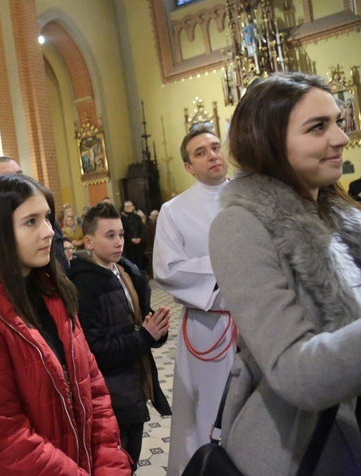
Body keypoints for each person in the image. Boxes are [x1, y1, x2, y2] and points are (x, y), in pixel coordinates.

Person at [209, 72, 361, 474]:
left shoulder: (341, 213)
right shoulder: (240, 226)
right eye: (318, 127)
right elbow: (296, 374)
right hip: (307, 445)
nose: (341, 138)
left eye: (337, 122)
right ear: (270, 141)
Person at [0, 174, 132, 474]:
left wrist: (110, 466)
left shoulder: (52, 291)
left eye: (47, 219)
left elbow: (92, 387)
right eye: (31, 222)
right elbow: (1, 435)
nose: (49, 232)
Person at [152, 124, 235, 474]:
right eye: (200, 152)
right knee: (208, 410)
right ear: (188, 166)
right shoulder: (174, 210)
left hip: (263, 318)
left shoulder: (252, 195)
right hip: (210, 324)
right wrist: (233, 275)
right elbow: (168, 268)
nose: (212, 155)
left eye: (215, 147)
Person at [69, 201, 171, 469]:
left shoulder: (127, 271)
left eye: (121, 234)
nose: (119, 242)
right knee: (115, 463)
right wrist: (144, 338)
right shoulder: (84, 284)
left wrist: (156, 331)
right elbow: (95, 350)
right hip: (111, 395)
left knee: (131, 460)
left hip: (135, 384)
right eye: (110, 236)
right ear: (88, 242)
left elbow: (140, 321)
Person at [121, 200, 145, 269]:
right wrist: (131, 239)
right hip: (128, 244)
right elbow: (123, 231)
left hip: (139, 243)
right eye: (126, 206)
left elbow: (142, 229)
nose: (128, 208)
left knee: (140, 261)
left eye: (129, 206)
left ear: (133, 207)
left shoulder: (137, 217)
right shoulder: (122, 218)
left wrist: (139, 238)